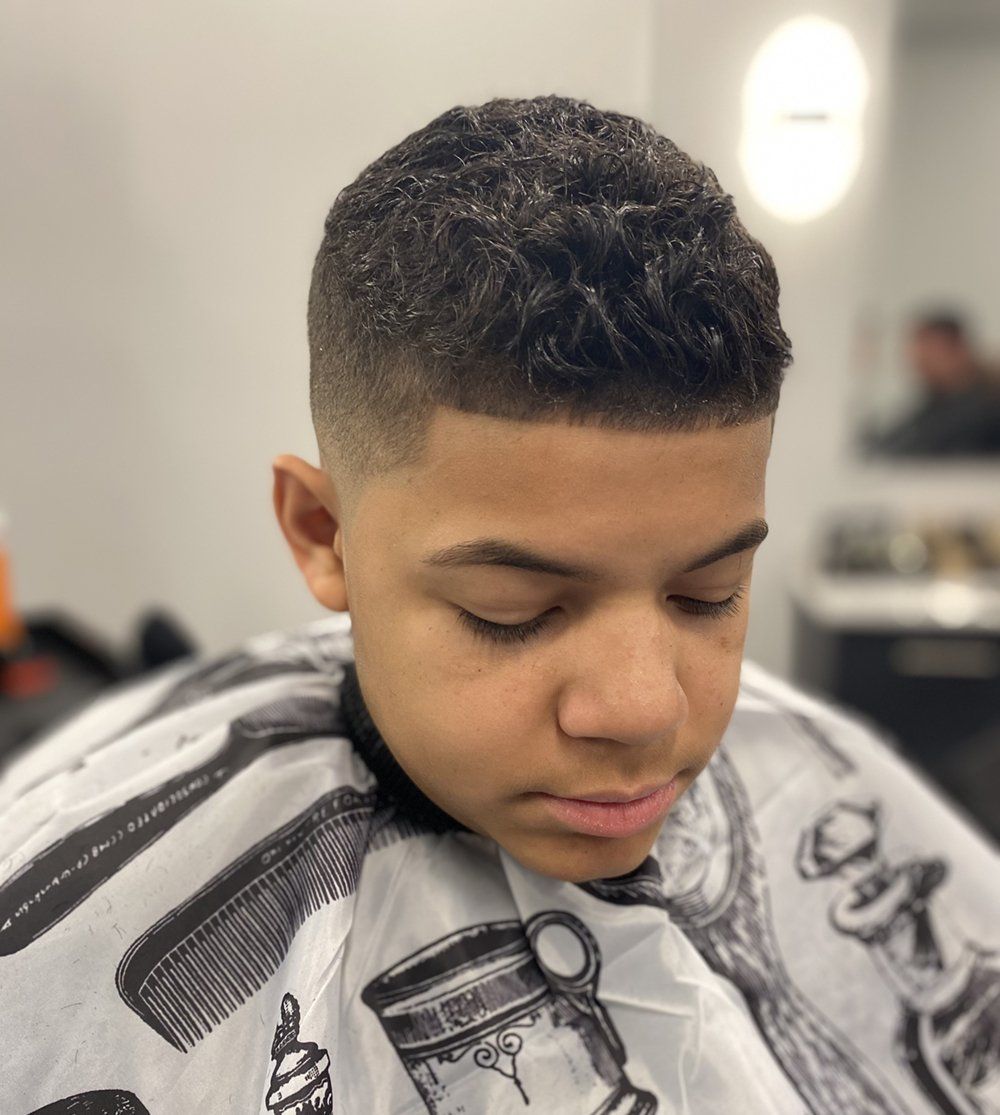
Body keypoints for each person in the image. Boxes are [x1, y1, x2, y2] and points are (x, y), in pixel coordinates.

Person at [2, 95, 998, 1115]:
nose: (643, 705)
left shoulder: (811, 780)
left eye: (708, 593)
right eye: (511, 609)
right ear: (318, 531)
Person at [866, 311, 1000, 458]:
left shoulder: (986, 409)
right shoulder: (933, 405)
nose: (920, 365)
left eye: (930, 354)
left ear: (959, 349)